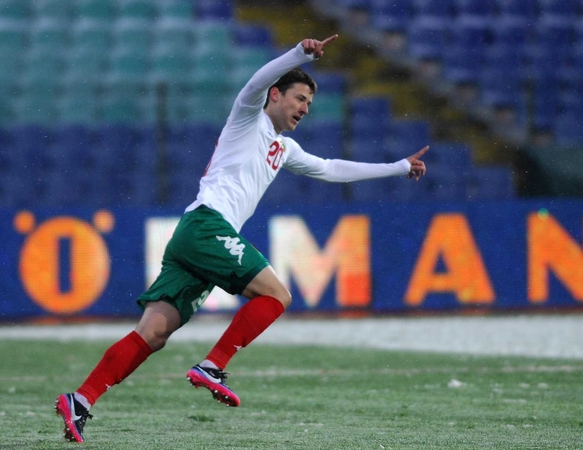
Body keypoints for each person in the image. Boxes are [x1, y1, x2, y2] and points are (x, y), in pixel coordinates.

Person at [55, 34, 428, 443]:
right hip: (207, 227)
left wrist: (396, 167)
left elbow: (330, 168)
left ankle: (81, 400)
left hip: (193, 237)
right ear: (276, 94)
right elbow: (253, 85)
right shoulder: (247, 118)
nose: (305, 108)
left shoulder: (283, 148)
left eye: (309, 103)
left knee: (153, 334)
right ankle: (213, 365)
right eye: (300, 98)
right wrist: (299, 55)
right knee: (277, 296)